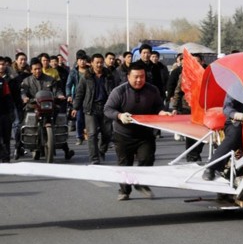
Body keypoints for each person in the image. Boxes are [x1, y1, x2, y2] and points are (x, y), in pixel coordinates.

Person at [104, 62, 176, 201]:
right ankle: (124, 190)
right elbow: (108, 109)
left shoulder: (152, 90)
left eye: (142, 77)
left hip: (145, 134)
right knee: (125, 164)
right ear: (128, 76)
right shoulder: (119, 91)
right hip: (123, 134)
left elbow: (158, 107)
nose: (139, 80)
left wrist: (163, 113)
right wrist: (119, 116)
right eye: (136, 77)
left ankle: (141, 183)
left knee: (147, 159)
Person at [20, 59, 74, 160]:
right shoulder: (27, 81)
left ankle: (65, 148)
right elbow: (23, 92)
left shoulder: (50, 79)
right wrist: (25, 98)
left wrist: (60, 95)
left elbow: (57, 90)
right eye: (35, 69)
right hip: (33, 107)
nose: (37, 71)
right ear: (31, 70)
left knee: (59, 124)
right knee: (23, 125)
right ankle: (18, 148)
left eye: (39, 69)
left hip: (49, 107)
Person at [72, 53, 117, 164]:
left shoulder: (109, 76)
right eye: (96, 62)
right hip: (90, 109)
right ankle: (94, 159)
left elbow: (114, 92)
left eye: (101, 62)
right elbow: (80, 93)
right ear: (91, 63)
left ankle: (101, 150)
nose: (99, 65)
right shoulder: (86, 77)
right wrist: (75, 107)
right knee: (92, 134)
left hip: (106, 108)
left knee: (107, 134)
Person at [202, 94, 243, 181]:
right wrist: (237, 115)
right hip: (236, 122)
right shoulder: (237, 87)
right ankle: (212, 167)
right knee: (235, 135)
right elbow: (227, 108)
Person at [66, 51, 89, 145]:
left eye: (84, 60)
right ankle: (79, 137)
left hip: (89, 97)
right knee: (79, 117)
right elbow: (68, 85)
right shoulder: (73, 72)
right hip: (78, 98)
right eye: (80, 60)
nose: (82, 62)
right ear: (77, 61)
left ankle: (90, 135)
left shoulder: (90, 71)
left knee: (90, 118)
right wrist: (69, 95)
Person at [11, 52, 30, 160]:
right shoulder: (11, 72)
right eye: (21, 59)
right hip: (14, 101)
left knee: (25, 125)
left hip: (26, 102)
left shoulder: (28, 73)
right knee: (17, 124)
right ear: (16, 60)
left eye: (24, 59)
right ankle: (17, 146)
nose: (23, 61)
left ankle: (22, 146)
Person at [0, 57, 15, 162]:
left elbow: (8, 96)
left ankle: (6, 158)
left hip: (4, 113)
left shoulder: (3, 81)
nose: (1, 67)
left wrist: (11, 112)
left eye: (2, 64)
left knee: (6, 138)